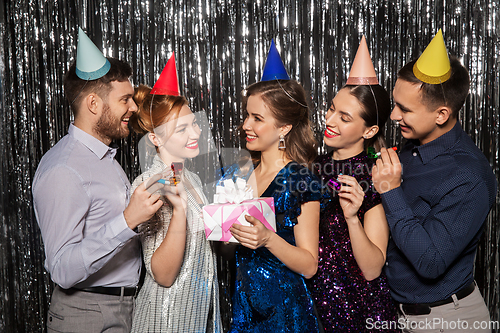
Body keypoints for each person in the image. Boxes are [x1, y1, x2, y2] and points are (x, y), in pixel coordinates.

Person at [32, 28, 163, 332]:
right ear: (94, 104)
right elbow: (63, 269)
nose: (133, 108)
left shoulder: (105, 158)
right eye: (125, 100)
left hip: (124, 307)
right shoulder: (63, 170)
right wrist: (128, 220)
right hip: (86, 314)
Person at [372, 30, 497, 332]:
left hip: (446, 320)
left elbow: (430, 263)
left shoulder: (469, 177)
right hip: (397, 315)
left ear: (441, 114)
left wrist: (390, 190)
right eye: (395, 103)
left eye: (405, 109)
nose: (393, 115)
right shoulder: (411, 146)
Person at [223, 40, 322, 332]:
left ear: (284, 128)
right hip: (244, 308)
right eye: (246, 115)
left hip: (284, 314)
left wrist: (268, 238)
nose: (245, 125)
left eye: (257, 118)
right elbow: (231, 251)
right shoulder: (239, 173)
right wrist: (223, 228)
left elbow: (309, 264)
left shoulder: (300, 180)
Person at [308, 36, 399, 332]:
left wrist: (352, 218)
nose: (329, 120)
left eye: (344, 117)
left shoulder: (376, 176)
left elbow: (372, 269)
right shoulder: (309, 168)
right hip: (313, 305)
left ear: (369, 129)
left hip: (360, 310)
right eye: (331, 109)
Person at [129, 54, 222, 332]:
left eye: (194, 123)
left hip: (198, 318)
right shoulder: (148, 184)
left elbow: (206, 252)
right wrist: (180, 209)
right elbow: (163, 274)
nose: (195, 133)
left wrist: (230, 217)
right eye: (182, 128)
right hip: (166, 322)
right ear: (155, 138)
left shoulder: (191, 177)